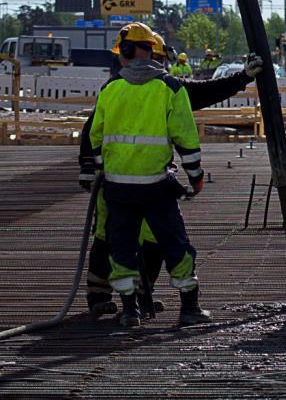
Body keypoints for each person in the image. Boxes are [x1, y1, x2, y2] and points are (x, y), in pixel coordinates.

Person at [79, 30, 263, 319]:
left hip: (117, 183)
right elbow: (187, 131)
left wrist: (96, 167)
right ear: (149, 52)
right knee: (159, 242)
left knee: (125, 242)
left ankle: (136, 302)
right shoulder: (165, 88)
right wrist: (195, 176)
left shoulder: (112, 88)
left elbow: (93, 131)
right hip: (153, 185)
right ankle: (108, 297)